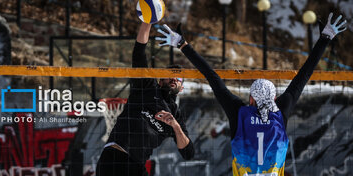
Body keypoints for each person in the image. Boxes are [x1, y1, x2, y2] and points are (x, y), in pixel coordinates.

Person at [156, 13, 347, 175]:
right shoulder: (280, 112)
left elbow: (211, 76)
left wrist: (182, 44)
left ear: (251, 98)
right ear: (273, 98)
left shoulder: (239, 113)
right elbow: (305, 75)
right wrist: (326, 37)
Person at [96, 22, 194, 176]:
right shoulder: (146, 86)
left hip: (136, 166)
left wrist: (175, 126)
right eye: (170, 74)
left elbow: (188, 153)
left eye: (179, 78)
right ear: (160, 79)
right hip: (115, 158)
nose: (174, 78)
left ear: (181, 88)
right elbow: (139, 53)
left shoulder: (175, 115)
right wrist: (147, 21)